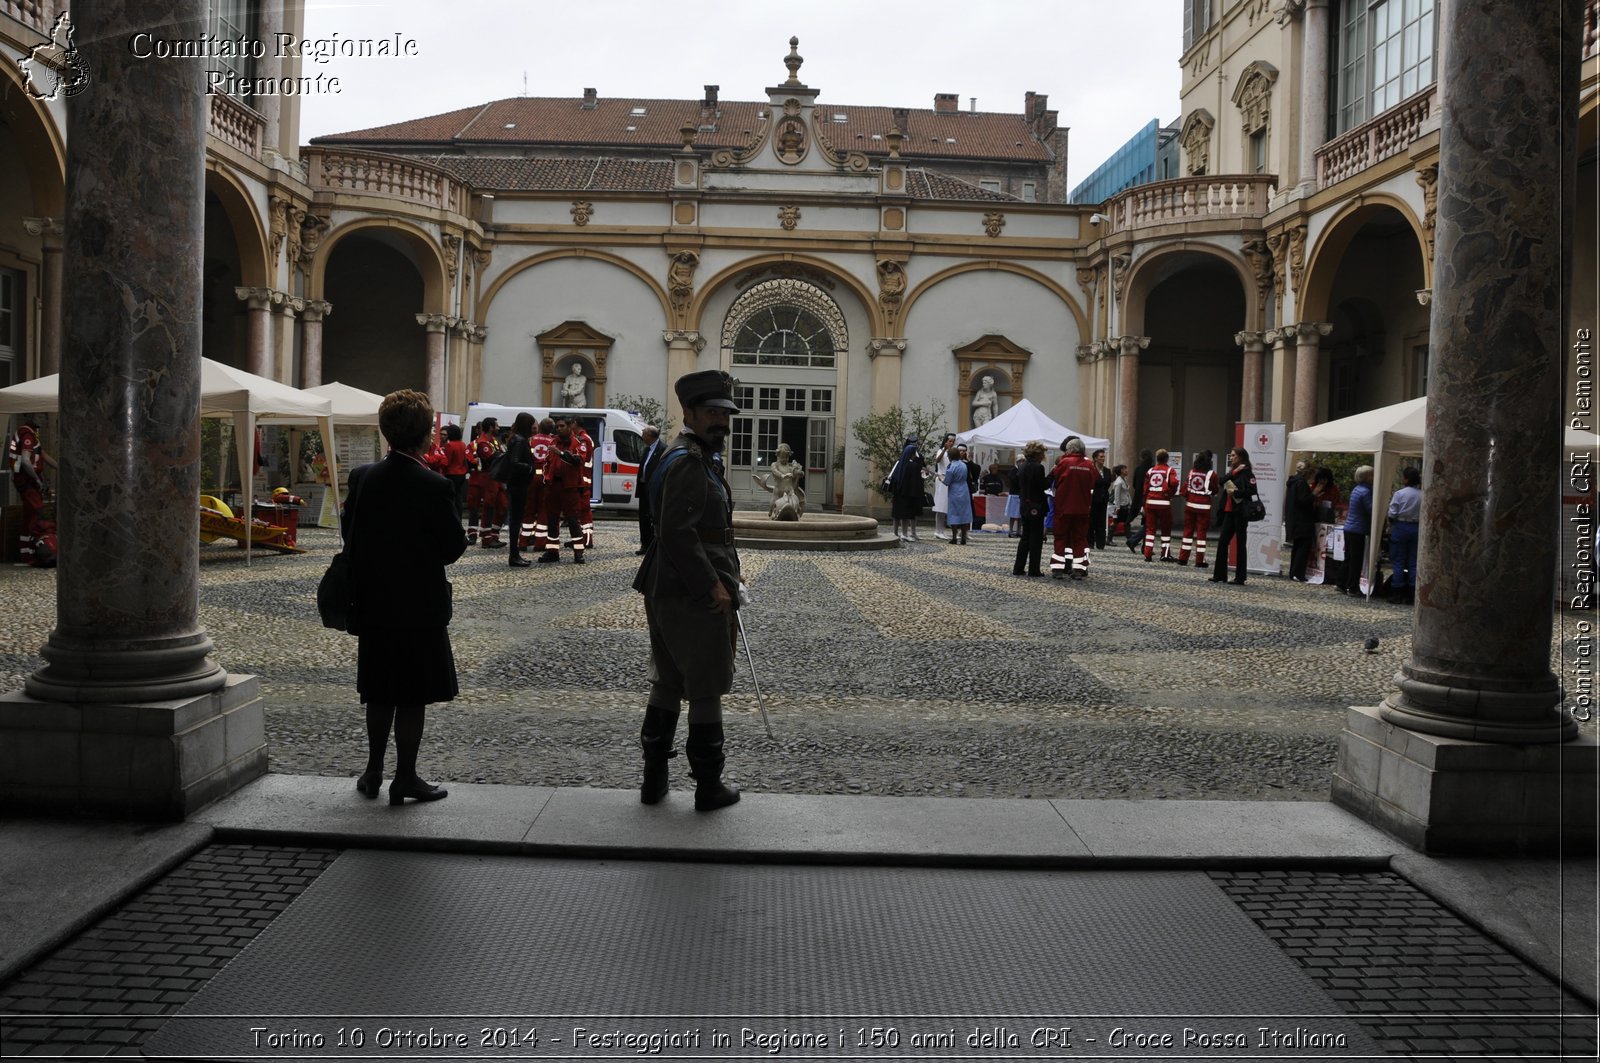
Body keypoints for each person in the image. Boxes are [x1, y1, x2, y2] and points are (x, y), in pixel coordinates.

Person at [343, 389, 467, 805]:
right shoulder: (434, 485)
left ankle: (372, 769)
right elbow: (451, 548)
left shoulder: (362, 477)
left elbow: (350, 536)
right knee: (412, 693)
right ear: (425, 436)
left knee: (379, 689)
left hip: (373, 599)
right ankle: (406, 777)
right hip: (419, 604)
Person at [633, 369, 744, 812]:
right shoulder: (687, 461)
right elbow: (680, 534)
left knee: (669, 680)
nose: (721, 420)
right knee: (704, 684)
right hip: (689, 590)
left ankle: (654, 780)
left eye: (725, 413)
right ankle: (708, 786)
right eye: (712, 413)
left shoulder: (690, 454)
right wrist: (712, 585)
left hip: (671, 583)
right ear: (690, 413)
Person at [538, 416, 588, 563]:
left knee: (572, 519)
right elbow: (547, 462)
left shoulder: (579, 442)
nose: (559, 429)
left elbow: (577, 460)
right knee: (552, 518)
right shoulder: (554, 442)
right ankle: (552, 551)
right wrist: (546, 479)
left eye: (562, 426)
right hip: (554, 485)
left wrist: (560, 454)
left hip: (570, 487)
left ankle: (578, 552)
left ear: (569, 427)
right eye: (557, 426)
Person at [7, 422, 56, 567]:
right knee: (38, 514)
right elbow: (26, 462)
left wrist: (61, 467)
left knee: (29, 516)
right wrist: (38, 481)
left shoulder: (29, 434)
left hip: (25, 481)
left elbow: (43, 455)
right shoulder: (27, 434)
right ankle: (45, 551)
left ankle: (27, 556)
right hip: (27, 481)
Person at [1209, 447, 1259, 586]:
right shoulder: (1234, 472)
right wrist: (1234, 472)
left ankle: (1240, 577)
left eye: (1233, 455)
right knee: (1223, 542)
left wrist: (1236, 493)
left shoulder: (1248, 473)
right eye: (1231, 455)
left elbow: (1252, 491)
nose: (1231, 458)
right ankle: (1219, 575)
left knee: (1240, 544)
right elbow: (1221, 481)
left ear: (1241, 457)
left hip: (1240, 513)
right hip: (1229, 512)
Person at [1050, 437, 1097, 579]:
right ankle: (1078, 570)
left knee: (1060, 538)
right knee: (1079, 539)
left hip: (1064, 507)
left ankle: (1058, 569)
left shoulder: (1064, 462)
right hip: (1082, 508)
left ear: (1070, 450)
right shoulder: (1089, 465)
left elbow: (1054, 477)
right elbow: (1093, 482)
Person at [465, 417, 506, 549]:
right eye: (497, 426)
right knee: (484, 507)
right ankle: (484, 537)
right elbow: (493, 458)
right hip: (485, 478)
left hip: (495, 479)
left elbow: (500, 454)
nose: (499, 428)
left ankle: (493, 535)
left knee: (503, 506)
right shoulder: (481, 443)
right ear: (490, 428)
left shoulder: (493, 441)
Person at [502, 412, 536, 567]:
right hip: (518, 485)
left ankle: (514, 555)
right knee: (516, 520)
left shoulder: (517, 438)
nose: (533, 427)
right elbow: (515, 463)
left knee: (516, 520)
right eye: (531, 424)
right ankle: (514, 556)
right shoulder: (520, 440)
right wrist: (529, 468)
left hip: (516, 484)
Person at [1386, 466, 1422, 605]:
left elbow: (1392, 513)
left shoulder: (1400, 494)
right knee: (1413, 561)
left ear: (1405, 478)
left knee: (1398, 560)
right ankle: (1412, 592)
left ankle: (1397, 591)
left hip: (1401, 526)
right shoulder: (1422, 494)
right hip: (1417, 527)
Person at [1011, 441, 1048, 576]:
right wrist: (1052, 476)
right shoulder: (1038, 468)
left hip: (1025, 505)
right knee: (1036, 538)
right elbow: (1042, 485)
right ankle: (1034, 569)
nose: (1043, 456)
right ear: (1037, 454)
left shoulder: (1022, 467)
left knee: (1025, 537)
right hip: (1036, 505)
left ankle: (1018, 567)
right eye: (1042, 453)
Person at [1175, 451, 1217, 567]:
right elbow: (1215, 490)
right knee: (1201, 534)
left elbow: (1184, 490)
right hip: (1204, 508)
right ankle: (1199, 561)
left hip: (1190, 506)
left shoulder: (1192, 472)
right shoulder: (1211, 474)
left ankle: (1183, 559)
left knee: (1187, 532)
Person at [1339, 466, 1375, 596]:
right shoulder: (1366, 492)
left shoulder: (1356, 489)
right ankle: (1353, 587)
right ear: (1367, 477)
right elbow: (1371, 509)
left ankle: (1341, 583)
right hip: (1358, 529)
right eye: (1372, 475)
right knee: (1356, 560)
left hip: (1349, 527)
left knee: (1348, 557)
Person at [1142, 448, 1179, 561]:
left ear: (1157, 459)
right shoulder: (1170, 470)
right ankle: (1165, 554)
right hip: (1163, 503)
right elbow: (1174, 482)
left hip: (1150, 503)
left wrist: (1145, 503)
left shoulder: (1150, 471)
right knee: (1166, 530)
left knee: (1150, 529)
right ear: (1167, 459)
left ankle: (1147, 554)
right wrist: (1169, 494)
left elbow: (1145, 489)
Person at [754, 442, 807, 521]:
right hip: (778, 489)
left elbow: (799, 473)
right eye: (782, 457)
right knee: (774, 501)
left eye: (786, 457)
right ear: (778, 456)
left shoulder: (790, 466)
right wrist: (782, 475)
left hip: (789, 488)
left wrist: (798, 473)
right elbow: (775, 471)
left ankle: (796, 514)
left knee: (795, 500)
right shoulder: (775, 465)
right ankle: (771, 511)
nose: (784, 459)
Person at [888, 435, 926, 541]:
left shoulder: (902, 463)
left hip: (900, 492)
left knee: (898, 514)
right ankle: (904, 534)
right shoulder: (911, 465)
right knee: (905, 514)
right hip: (908, 493)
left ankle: (896, 533)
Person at [1284, 461, 1317, 582]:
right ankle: (1298, 573)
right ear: (1307, 472)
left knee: (1297, 547)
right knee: (1303, 548)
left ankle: (1293, 572)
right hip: (1302, 520)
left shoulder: (1293, 482)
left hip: (1295, 519)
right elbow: (1303, 500)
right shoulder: (1301, 483)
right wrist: (1314, 494)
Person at [635, 425, 662, 556]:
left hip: (654, 489)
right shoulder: (647, 449)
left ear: (650, 436)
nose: (642, 436)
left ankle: (653, 545)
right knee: (643, 517)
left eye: (644, 434)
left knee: (653, 517)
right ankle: (644, 544)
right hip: (644, 488)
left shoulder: (662, 449)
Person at [943, 443, 975, 545]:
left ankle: (954, 537)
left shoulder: (951, 467)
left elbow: (947, 482)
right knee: (964, 513)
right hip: (964, 489)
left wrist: (940, 478)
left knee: (954, 513)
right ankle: (963, 537)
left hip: (954, 490)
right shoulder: (964, 465)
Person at [1126, 448, 1154, 551]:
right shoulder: (1152, 469)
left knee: (1148, 524)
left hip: (1138, 497)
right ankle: (1134, 541)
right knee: (1149, 524)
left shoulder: (1138, 468)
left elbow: (1134, 483)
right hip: (1148, 498)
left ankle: (1143, 546)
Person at [440, 423, 470, 517]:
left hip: (451, 474)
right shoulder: (462, 444)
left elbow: (446, 461)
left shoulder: (450, 445)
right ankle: (459, 517)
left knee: (451, 498)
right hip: (461, 474)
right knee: (458, 498)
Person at [932, 433, 956, 539]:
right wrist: (944, 450)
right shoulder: (940, 451)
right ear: (945, 441)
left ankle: (942, 530)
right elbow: (937, 460)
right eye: (949, 441)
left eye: (953, 441)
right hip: (941, 479)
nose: (951, 443)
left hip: (949, 479)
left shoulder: (952, 453)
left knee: (946, 506)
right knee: (940, 505)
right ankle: (938, 530)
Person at [1089, 448, 1112, 549]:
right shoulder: (1091, 469)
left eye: (1104, 457)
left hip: (1103, 499)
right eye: (1101, 457)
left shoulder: (1107, 471)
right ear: (1095, 458)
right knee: (1091, 521)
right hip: (1093, 499)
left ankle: (1100, 543)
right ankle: (1090, 542)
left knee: (1102, 521)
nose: (1103, 459)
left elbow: (1108, 482)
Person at [1109, 464, 1133, 538]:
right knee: (1116, 522)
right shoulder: (1119, 482)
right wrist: (1117, 507)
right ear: (1122, 471)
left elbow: (1127, 494)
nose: (1127, 470)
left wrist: (1130, 502)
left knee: (1126, 523)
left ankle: (1130, 539)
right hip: (1120, 506)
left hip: (1125, 505)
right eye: (1125, 469)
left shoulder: (1124, 480)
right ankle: (1109, 539)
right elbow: (1117, 495)